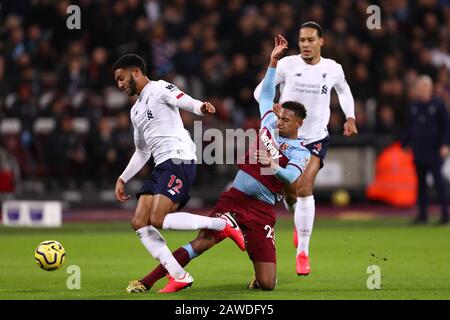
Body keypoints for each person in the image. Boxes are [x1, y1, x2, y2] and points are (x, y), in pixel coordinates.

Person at [126, 35, 311, 293]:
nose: (280, 122)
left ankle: (257, 274)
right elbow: (267, 93)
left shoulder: (300, 151)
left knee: (268, 284)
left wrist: (273, 164)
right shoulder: (269, 122)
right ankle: (147, 281)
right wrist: (272, 62)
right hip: (235, 198)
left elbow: (291, 178)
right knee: (201, 242)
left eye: (286, 120)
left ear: (298, 124)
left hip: (263, 211)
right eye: (280, 117)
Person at [113, 54, 245, 293]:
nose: (119, 85)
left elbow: (183, 99)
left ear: (136, 72)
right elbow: (141, 152)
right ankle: (179, 275)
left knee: (158, 219)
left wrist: (201, 107)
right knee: (139, 222)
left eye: (121, 78)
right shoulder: (135, 111)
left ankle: (221, 223)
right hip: (160, 166)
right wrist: (123, 178)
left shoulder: (159, 88)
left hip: (178, 158)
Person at [254, 21, 358, 276]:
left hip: (315, 139)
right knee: (290, 193)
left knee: (303, 187)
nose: (306, 45)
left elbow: (344, 91)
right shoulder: (288, 65)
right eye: (302, 40)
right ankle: (297, 221)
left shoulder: (332, 68)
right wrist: (273, 105)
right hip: (287, 140)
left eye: (311, 40)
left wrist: (350, 117)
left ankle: (303, 251)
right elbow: (259, 92)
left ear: (321, 41)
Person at [402, 75, 450, 225]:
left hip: (435, 150)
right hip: (419, 149)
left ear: (431, 89)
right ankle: (423, 215)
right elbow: (409, 127)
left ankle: (445, 214)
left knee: (438, 182)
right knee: (421, 183)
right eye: (420, 88)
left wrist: (445, 144)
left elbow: (447, 127)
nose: (422, 91)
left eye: (425, 88)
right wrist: (405, 143)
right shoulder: (414, 106)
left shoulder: (438, 105)